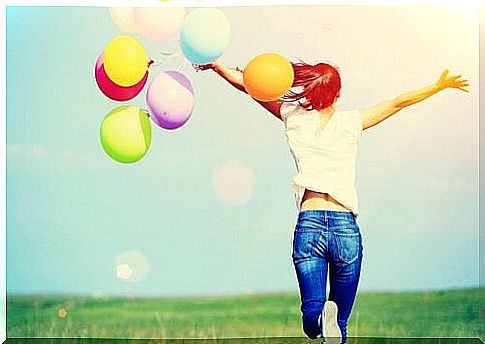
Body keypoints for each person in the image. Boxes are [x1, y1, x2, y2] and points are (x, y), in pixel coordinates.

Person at [193, 59, 469, 343]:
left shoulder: (294, 116)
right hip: (344, 227)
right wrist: (437, 87)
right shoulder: (353, 122)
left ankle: (319, 316)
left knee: (312, 318)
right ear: (337, 94)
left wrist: (217, 67)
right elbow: (398, 102)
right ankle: (331, 318)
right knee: (340, 325)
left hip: (310, 223)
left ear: (309, 91)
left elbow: (252, 88)